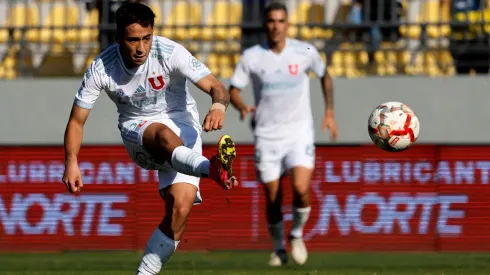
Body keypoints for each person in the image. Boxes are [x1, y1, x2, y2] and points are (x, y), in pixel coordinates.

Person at [61, 3, 238, 274]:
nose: (141, 47)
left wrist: (218, 106)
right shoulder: (101, 67)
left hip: (184, 123)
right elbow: (76, 120)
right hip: (138, 130)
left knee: (180, 208)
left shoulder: (169, 51)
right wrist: (71, 162)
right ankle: (211, 169)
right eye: (133, 40)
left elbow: (215, 86)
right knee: (163, 134)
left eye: (147, 38)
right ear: (120, 37)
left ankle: (145, 273)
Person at [229, 1, 337, 267]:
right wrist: (242, 106)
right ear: (265, 24)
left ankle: (297, 235)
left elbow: (324, 76)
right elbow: (233, 88)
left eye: (280, 21)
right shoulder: (252, 56)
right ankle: (279, 248)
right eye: (271, 21)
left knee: (301, 188)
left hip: (299, 131)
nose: (275, 26)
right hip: (266, 134)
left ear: (288, 24)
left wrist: (330, 112)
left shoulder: (305, 51)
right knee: (273, 198)